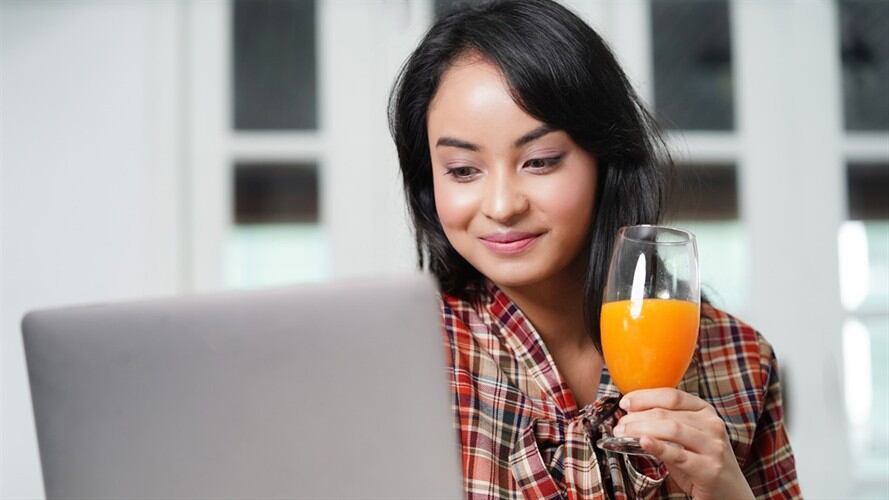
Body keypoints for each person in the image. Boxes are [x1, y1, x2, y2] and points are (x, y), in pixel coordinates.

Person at [388, 0, 800, 498]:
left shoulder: (737, 359)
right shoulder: (404, 365)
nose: (501, 205)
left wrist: (726, 490)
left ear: (605, 158)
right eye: (462, 170)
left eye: (539, 161)